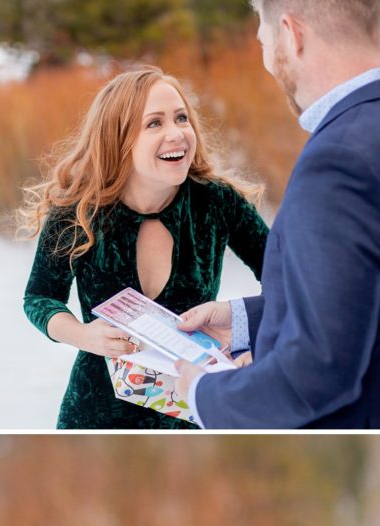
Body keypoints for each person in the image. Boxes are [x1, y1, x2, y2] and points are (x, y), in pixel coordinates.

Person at [175, 0, 380, 430]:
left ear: (291, 35)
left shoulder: (341, 159)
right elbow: (375, 303)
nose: (269, 63)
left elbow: (317, 373)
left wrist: (203, 394)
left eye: (264, 43)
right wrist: (249, 319)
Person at [19, 66, 268, 430]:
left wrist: (250, 347)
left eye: (181, 118)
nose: (177, 133)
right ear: (119, 140)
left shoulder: (216, 203)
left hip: (193, 408)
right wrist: (84, 335)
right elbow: (39, 297)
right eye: (154, 123)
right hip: (96, 413)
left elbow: (290, 281)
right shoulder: (79, 212)